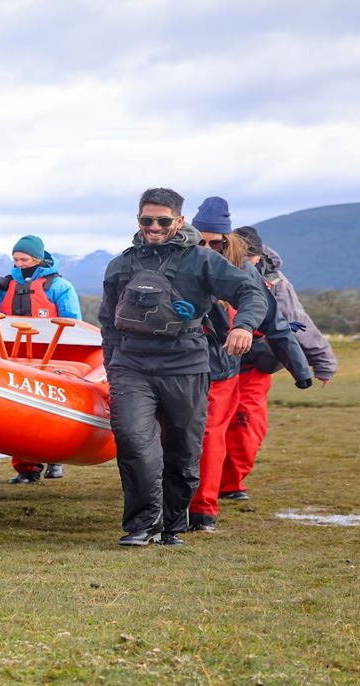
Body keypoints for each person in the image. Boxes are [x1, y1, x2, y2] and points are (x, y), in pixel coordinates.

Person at [98, 188, 268, 547]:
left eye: (162, 221)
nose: (153, 227)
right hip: (131, 365)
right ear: (138, 220)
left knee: (184, 450)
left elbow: (251, 293)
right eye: (146, 220)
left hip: (185, 365)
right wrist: (112, 367)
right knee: (134, 440)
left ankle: (172, 524)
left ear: (179, 221)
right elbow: (108, 322)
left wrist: (243, 326)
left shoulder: (202, 261)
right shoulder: (121, 265)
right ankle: (143, 524)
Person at [187, 201, 313, 532]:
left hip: (220, 368)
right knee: (171, 434)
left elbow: (275, 320)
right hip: (176, 365)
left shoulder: (243, 270)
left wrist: (300, 368)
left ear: (226, 240)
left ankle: (202, 510)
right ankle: (171, 505)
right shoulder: (175, 260)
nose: (207, 248)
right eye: (200, 241)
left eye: (215, 242)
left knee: (210, 435)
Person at [218, 225, 337, 501]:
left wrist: (322, 362)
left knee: (246, 425)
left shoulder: (276, 282)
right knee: (206, 427)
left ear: (259, 256)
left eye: (251, 258)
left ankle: (231, 483)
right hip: (212, 364)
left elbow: (296, 320)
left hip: (252, 366)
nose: (248, 263)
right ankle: (202, 485)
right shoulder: (211, 271)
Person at [0, 234, 83, 483]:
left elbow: (74, 324)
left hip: (53, 355)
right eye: (15, 259)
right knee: (18, 412)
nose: (19, 264)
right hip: (15, 355)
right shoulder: (4, 286)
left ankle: (56, 459)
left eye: (24, 259)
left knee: (54, 411)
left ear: (37, 258)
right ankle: (27, 469)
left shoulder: (59, 286)